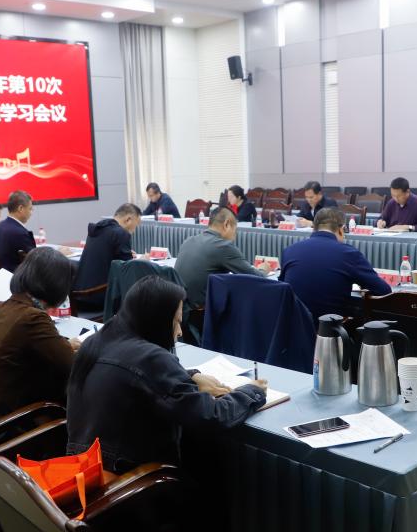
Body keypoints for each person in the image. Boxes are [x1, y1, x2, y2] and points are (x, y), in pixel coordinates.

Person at [66, 276, 267, 473]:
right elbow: (212, 416)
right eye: (177, 322)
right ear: (158, 321)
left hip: (84, 469)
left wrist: (190, 376)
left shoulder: (94, 343)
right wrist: (251, 391)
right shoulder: (151, 358)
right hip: (132, 479)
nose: (179, 332)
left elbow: (136, 375)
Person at [0, 248, 79, 420]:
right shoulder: (32, 317)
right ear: (57, 284)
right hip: (14, 422)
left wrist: (65, 345)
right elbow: (73, 366)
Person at [279, 207, 390, 321]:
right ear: (341, 230)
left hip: (294, 326)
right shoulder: (348, 253)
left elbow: (283, 287)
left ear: (314, 228)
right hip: (331, 328)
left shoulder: (289, 251)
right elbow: (384, 291)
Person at [174, 207, 269, 308]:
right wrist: (263, 269)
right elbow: (257, 278)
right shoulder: (223, 246)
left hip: (178, 308)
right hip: (200, 313)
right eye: (235, 230)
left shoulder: (188, 241)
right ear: (226, 224)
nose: (235, 236)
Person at [71, 203, 141, 312]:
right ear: (128, 219)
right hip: (98, 298)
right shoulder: (121, 233)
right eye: (136, 225)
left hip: (78, 295)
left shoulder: (98, 229)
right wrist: (142, 261)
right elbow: (127, 270)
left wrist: (126, 253)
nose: (135, 230)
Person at [0, 190, 36, 271]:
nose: (31, 213)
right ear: (20, 208)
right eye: (30, 209)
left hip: (2, 272)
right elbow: (36, 260)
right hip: (18, 274)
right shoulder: (20, 233)